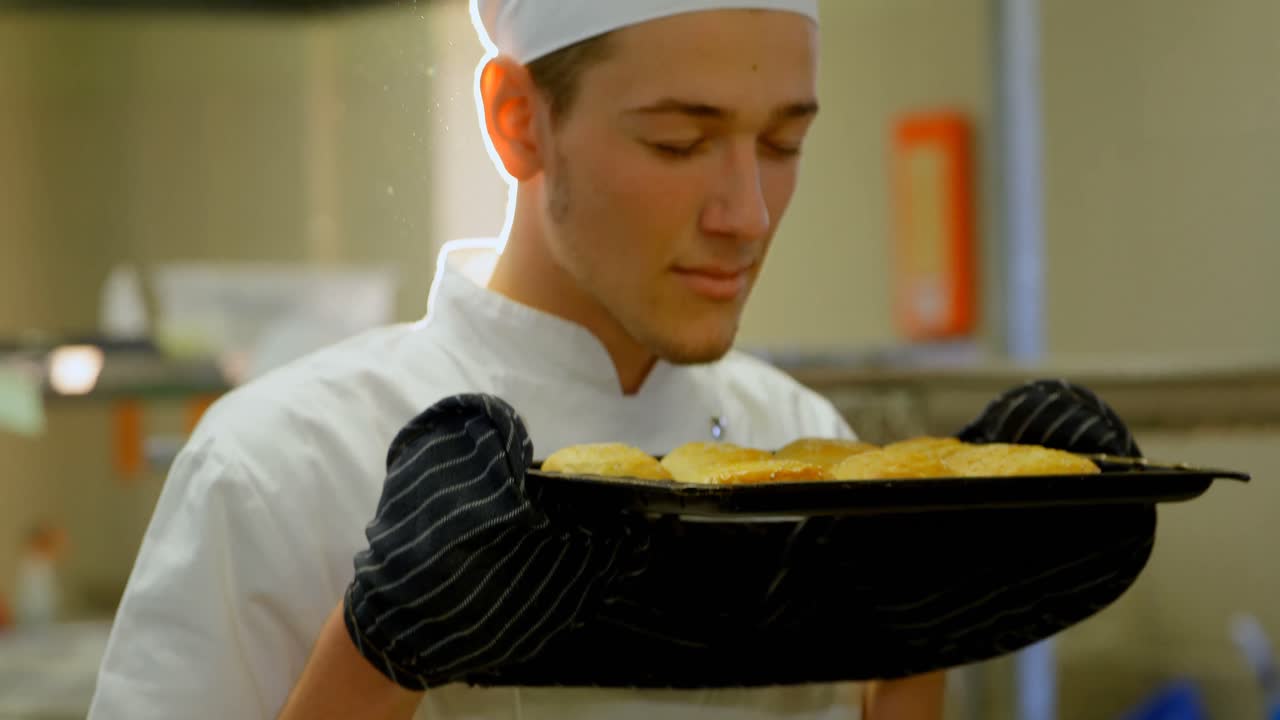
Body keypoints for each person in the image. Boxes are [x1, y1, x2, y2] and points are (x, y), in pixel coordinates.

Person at [87, 1, 946, 718]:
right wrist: (368, 661)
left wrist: (926, 656)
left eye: (782, 145)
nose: (749, 215)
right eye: (679, 142)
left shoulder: (802, 446)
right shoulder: (280, 467)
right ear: (517, 122)